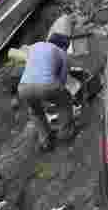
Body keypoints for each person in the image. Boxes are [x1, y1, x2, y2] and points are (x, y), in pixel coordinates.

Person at [16, 15, 74, 151]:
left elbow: (26, 66)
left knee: (35, 112)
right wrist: (51, 96)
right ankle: (65, 133)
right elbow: (62, 81)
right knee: (65, 100)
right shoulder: (62, 53)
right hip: (46, 86)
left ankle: (45, 140)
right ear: (65, 45)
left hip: (23, 87)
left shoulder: (36, 46)